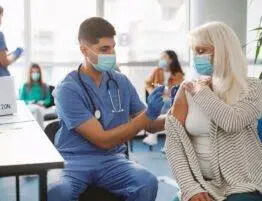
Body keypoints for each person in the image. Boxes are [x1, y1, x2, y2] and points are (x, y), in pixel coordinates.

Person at [48, 17, 165, 201]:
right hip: (73, 161)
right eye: (104, 49)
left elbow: (150, 125)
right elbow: (103, 140)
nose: (111, 54)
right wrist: (148, 115)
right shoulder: (67, 89)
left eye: (113, 48)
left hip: (112, 160)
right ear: (84, 50)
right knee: (58, 192)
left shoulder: (121, 82)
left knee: (147, 182)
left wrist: (176, 114)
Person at [165, 21, 262, 201]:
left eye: (201, 51)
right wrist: (190, 187)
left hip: (242, 181)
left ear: (224, 51)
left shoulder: (252, 87)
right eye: (194, 52)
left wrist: (202, 92)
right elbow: (173, 142)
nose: (196, 57)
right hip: (200, 182)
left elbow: (232, 122)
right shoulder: (186, 90)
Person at [143, 50, 184, 147]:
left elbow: (177, 91)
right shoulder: (157, 71)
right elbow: (148, 84)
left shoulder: (178, 74)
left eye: (163, 57)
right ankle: (168, 143)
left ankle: (153, 135)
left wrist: (168, 92)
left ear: (171, 60)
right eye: (160, 58)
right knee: (165, 106)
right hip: (160, 98)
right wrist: (153, 92)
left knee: (166, 104)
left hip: (170, 100)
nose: (161, 60)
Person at [19, 63, 52, 128]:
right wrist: (29, 102)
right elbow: (21, 100)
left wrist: (43, 102)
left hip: (40, 107)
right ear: (30, 73)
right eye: (33, 72)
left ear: (40, 73)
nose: (35, 74)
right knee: (35, 110)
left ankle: (40, 129)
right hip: (29, 107)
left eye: (37, 72)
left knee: (38, 111)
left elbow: (48, 99)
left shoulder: (44, 86)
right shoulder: (25, 85)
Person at [0, 5, 23, 76]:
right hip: (3, 80)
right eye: (1, 16)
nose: (1, 20)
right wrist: (16, 54)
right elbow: (4, 62)